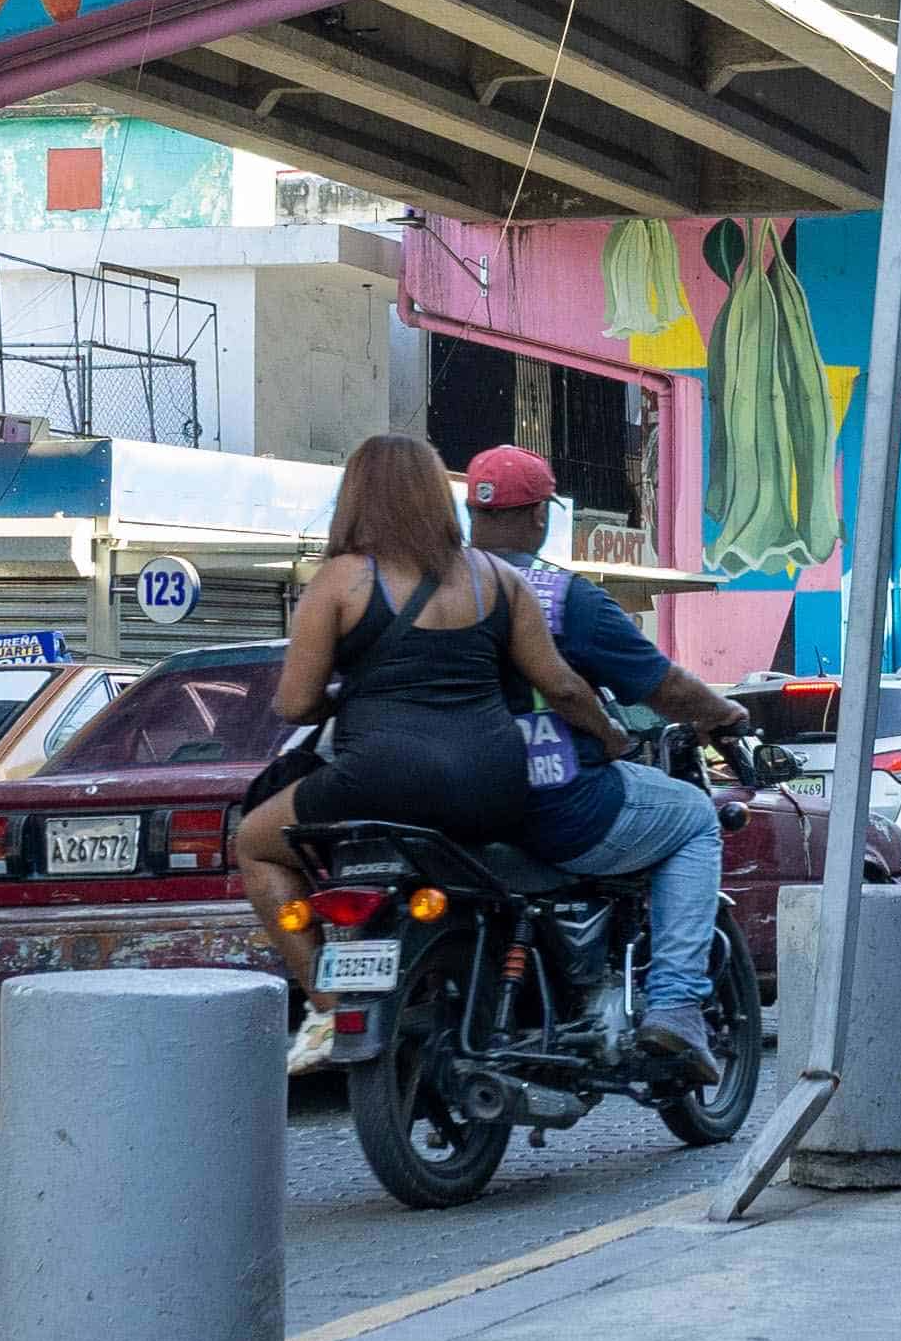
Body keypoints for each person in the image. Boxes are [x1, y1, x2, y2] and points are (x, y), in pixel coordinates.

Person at [232, 435, 633, 1065]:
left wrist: (343, 698)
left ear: (356, 497)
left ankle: (327, 1008)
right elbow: (558, 684)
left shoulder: (340, 581)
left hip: (381, 776)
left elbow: (293, 704)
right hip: (494, 782)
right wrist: (613, 738)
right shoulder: (499, 580)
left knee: (255, 842)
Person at [457, 444, 747, 1077]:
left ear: (470, 513)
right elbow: (662, 687)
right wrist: (722, 715)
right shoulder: (562, 598)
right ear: (540, 516)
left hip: (451, 805)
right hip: (555, 804)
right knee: (696, 818)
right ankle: (674, 1006)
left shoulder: (429, 590)